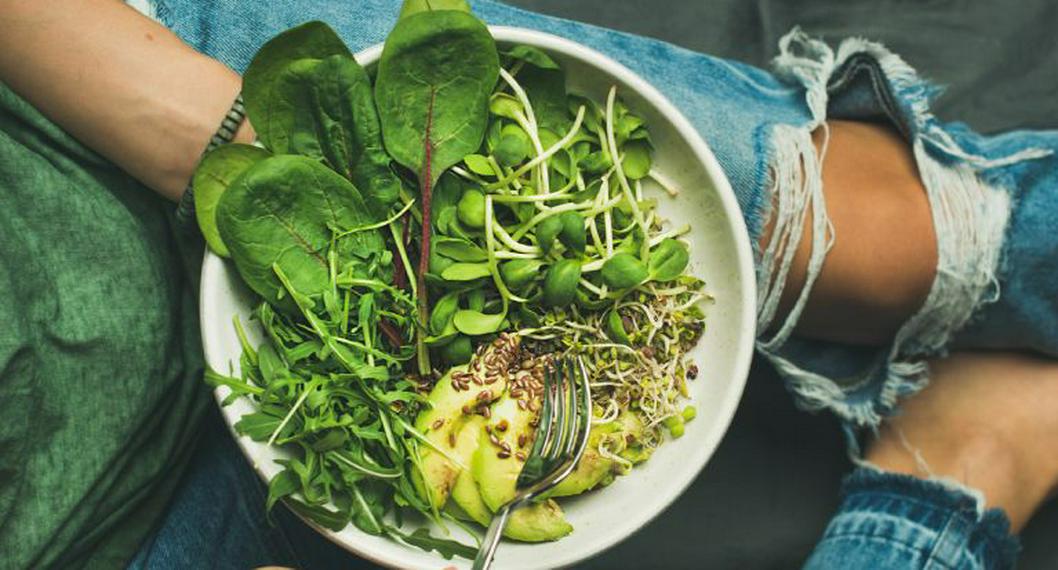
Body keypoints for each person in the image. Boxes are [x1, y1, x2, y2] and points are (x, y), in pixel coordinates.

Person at [0, 0, 1054, 568]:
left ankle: (981, 280)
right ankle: (936, 497)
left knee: (910, 235)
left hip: (118, 128)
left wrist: (215, 135)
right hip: (136, 537)